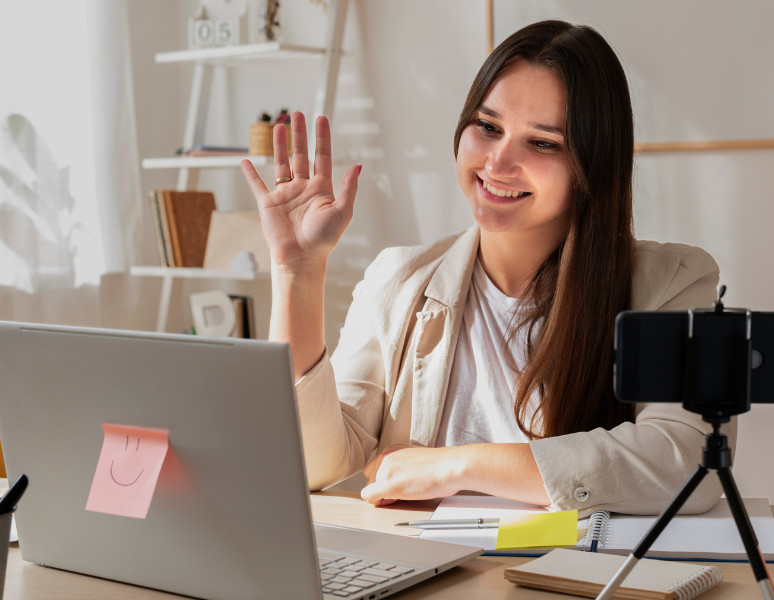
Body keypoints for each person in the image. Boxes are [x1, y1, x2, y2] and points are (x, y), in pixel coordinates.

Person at [241, 19, 734, 517]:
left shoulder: (673, 283)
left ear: (593, 165)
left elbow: (690, 461)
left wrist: (456, 466)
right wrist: (296, 271)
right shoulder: (399, 278)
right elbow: (309, 463)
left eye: (542, 142)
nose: (498, 163)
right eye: (488, 127)